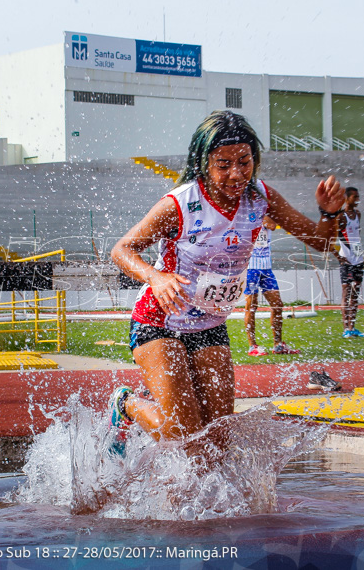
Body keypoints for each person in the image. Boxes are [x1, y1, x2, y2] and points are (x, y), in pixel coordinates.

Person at [110, 110, 342, 451]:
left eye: (244, 162)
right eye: (223, 164)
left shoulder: (261, 197)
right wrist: (155, 277)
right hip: (160, 322)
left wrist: (329, 214)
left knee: (218, 441)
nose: (236, 174)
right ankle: (127, 403)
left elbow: (321, 242)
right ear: (204, 162)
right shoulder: (180, 203)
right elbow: (122, 249)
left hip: (210, 326)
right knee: (183, 436)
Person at [243, 215, 298, 356]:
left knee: (277, 304)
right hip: (250, 268)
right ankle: (252, 346)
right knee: (251, 306)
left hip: (266, 267)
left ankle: (278, 344)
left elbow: (272, 225)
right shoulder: (245, 213)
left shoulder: (265, 213)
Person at [336, 186, 364, 338]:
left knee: (355, 294)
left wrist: (360, 251)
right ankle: (345, 328)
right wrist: (338, 256)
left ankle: (353, 326)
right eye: (354, 197)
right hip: (346, 260)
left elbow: (357, 236)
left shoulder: (358, 214)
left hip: (358, 259)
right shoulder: (341, 216)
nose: (357, 200)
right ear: (346, 198)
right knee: (346, 292)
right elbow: (333, 236)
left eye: (358, 196)